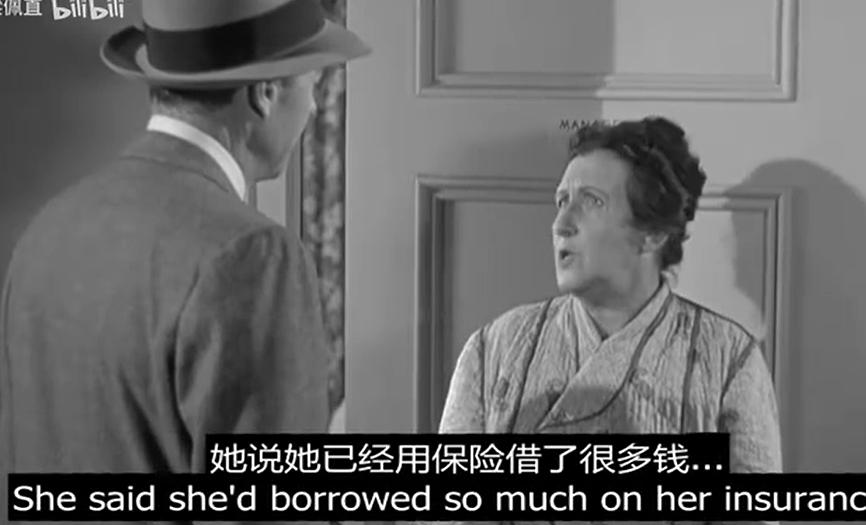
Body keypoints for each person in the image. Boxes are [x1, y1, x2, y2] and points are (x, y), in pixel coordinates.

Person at [0, 0, 370, 495]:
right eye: (314, 84)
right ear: (265, 93)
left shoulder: (48, 229)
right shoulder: (251, 255)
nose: (315, 108)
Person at [439, 117, 782, 475]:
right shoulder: (493, 349)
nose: (561, 225)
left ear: (652, 233)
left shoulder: (729, 359)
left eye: (592, 201)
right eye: (561, 201)